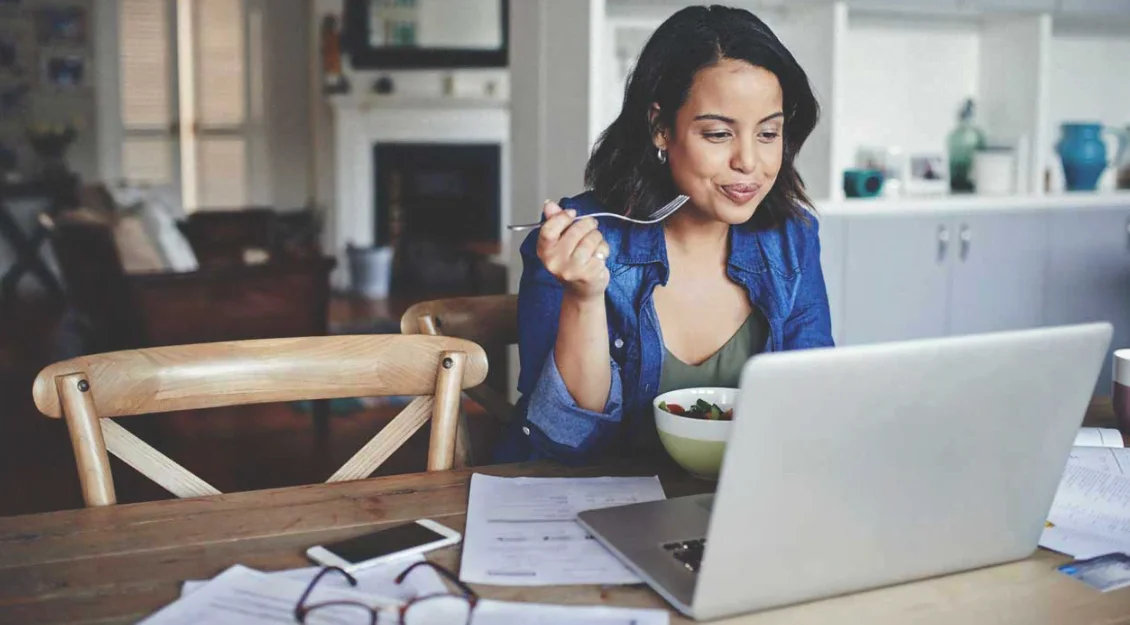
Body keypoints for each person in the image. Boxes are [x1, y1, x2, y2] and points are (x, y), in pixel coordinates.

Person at [495, 5, 833, 465]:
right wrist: (584, 298)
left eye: (769, 132)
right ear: (660, 128)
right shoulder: (580, 241)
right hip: (589, 507)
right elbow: (565, 442)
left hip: (727, 508)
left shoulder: (792, 239)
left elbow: (812, 406)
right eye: (718, 134)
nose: (749, 162)